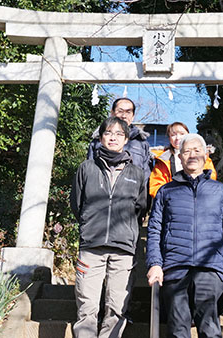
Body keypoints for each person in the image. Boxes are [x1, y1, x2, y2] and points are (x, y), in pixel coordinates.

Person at [146, 133, 223, 338]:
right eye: (187, 151)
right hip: (175, 268)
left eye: (197, 150)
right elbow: (154, 230)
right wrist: (155, 263)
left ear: (206, 155)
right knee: (178, 330)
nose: (192, 155)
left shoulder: (221, 191)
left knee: (209, 329)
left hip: (211, 269)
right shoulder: (166, 191)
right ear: (179, 157)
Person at [71, 116, 148, 338]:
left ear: (126, 139)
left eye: (118, 134)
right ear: (101, 137)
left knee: (117, 307)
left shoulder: (136, 172)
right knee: (87, 307)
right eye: (108, 133)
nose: (113, 137)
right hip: (92, 244)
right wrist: (89, 223)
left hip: (123, 248)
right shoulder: (86, 168)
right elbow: (77, 203)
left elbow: (140, 208)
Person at [87, 97, 153, 179]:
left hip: (132, 189)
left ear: (133, 116)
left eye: (128, 112)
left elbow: (146, 176)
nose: (124, 116)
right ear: (112, 113)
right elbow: (89, 171)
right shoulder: (99, 141)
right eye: (120, 111)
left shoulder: (141, 143)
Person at [149, 122, 217, 198]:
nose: (178, 138)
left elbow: (211, 179)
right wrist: (169, 198)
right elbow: (156, 187)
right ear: (169, 138)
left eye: (182, 134)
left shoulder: (202, 157)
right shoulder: (163, 160)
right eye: (173, 135)